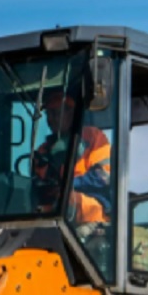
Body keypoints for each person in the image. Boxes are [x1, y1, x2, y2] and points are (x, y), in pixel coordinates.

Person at [31, 89, 111, 225]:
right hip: (55, 204)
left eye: (56, 113)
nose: (51, 119)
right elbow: (37, 182)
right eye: (49, 114)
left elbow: (103, 177)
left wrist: (68, 185)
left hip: (91, 202)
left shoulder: (93, 137)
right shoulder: (43, 150)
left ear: (71, 113)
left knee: (66, 203)